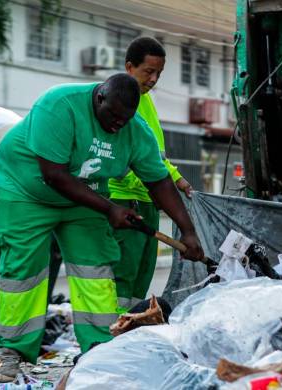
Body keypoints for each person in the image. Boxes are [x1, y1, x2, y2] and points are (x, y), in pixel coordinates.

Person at [0, 73, 204, 382]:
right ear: (99, 97)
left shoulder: (135, 131)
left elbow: (159, 182)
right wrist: (110, 209)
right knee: (25, 270)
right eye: (113, 116)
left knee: (95, 268)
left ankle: (101, 346)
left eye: (125, 119)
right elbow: (54, 175)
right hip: (25, 190)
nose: (118, 125)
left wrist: (188, 230)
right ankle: (12, 350)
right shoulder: (59, 105)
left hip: (83, 196)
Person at [108, 37, 191, 311]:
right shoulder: (117, 99)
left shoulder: (147, 102)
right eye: (149, 72)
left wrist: (176, 179)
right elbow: (121, 154)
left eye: (159, 74)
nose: (154, 79)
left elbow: (153, 156)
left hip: (147, 201)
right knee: (123, 276)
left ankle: (131, 327)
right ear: (129, 67)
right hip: (124, 201)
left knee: (142, 276)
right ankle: (113, 333)